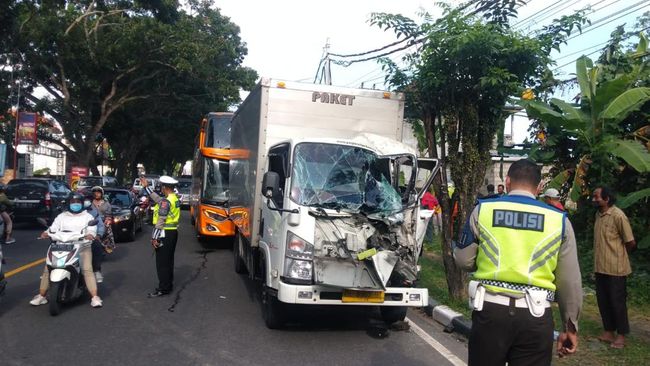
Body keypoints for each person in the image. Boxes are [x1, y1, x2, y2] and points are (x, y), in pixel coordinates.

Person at [454, 159, 582, 365]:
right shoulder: (559, 221)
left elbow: (463, 260)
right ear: (540, 187)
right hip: (536, 316)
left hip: (490, 312)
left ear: (507, 181)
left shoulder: (483, 210)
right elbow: (570, 282)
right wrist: (570, 327)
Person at [29, 192, 103, 308]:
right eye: (73, 202)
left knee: (87, 270)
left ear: (82, 204)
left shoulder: (88, 217)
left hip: (82, 246)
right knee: (48, 269)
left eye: (78, 202)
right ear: (68, 203)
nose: (75, 204)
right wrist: (46, 233)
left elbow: (92, 229)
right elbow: (53, 228)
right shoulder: (61, 216)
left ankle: (94, 297)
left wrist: (90, 234)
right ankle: (41, 296)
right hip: (60, 246)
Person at [592, 186, 636, 349]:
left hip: (616, 269)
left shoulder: (618, 215)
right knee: (603, 301)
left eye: (596, 197)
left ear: (607, 199)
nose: (594, 199)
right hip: (600, 267)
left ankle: (621, 335)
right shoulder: (598, 215)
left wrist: (619, 256)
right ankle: (608, 331)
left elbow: (630, 242)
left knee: (617, 302)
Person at [141, 175, 180, 297]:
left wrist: (154, 237)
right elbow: (158, 199)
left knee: (162, 262)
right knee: (168, 260)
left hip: (165, 232)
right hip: (172, 232)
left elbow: (161, 220)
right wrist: (146, 188)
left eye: (162, 187)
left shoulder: (167, 201)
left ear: (164, 187)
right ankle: (168, 285)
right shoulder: (173, 198)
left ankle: (163, 288)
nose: (161, 189)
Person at [84, 193, 106, 283]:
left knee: (97, 245)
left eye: (88, 199)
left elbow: (100, 225)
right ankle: (50, 270)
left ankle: (96, 270)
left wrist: (98, 235)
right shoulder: (67, 212)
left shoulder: (93, 212)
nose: (86, 201)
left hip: (89, 238)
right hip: (71, 238)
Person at [91, 186, 114, 254]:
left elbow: (109, 215)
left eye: (98, 193)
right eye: (95, 193)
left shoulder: (106, 204)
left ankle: (105, 248)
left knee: (106, 233)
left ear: (102, 194)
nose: (96, 194)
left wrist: (106, 223)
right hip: (91, 223)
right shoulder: (89, 203)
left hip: (104, 223)